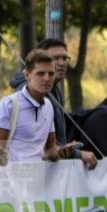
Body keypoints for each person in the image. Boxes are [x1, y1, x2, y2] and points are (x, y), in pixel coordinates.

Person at [10, 38, 98, 169]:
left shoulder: (53, 88)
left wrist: (67, 147)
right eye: (55, 58)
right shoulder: (30, 90)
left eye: (65, 58)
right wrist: (78, 154)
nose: (62, 63)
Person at [0, 50, 71, 164]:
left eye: (51, 73)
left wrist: (61, 151)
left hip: (38, 178)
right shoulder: (8, 105)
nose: (47, 78)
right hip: (11, 179)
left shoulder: (48, 106)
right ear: (27, 75)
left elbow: (49, 150)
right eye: (41, 73)